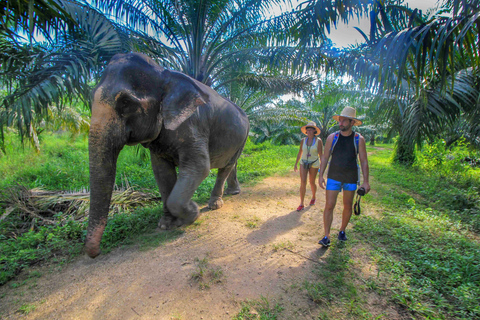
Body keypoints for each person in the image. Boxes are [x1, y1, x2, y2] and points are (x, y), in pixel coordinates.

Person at [317, 107, 370, 247]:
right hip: (334, 175)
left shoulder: (359, 139)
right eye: (340, 120)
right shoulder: (332, 137)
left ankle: (342, 230)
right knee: (329, 205)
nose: (340, 123)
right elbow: (325, 157)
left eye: (344, 121)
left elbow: (364, 161)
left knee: (348, 206)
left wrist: (366, 182)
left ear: (352, 122)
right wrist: (321, 175)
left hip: (350, 177)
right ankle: (326, 236)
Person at [294, 121, 323, 211]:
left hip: (314, 163)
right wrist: (296, 163)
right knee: (303, 182)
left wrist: (322, 166)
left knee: (312, 182)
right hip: (303, 162)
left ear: (314, 131)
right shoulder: (303, 140)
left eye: (311, 130)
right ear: (306, 131)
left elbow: (321, 154)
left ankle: (313, 197)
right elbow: (300, 152)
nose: (309, 131)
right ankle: (301, 203)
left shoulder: (318, 141)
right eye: (308, 130)